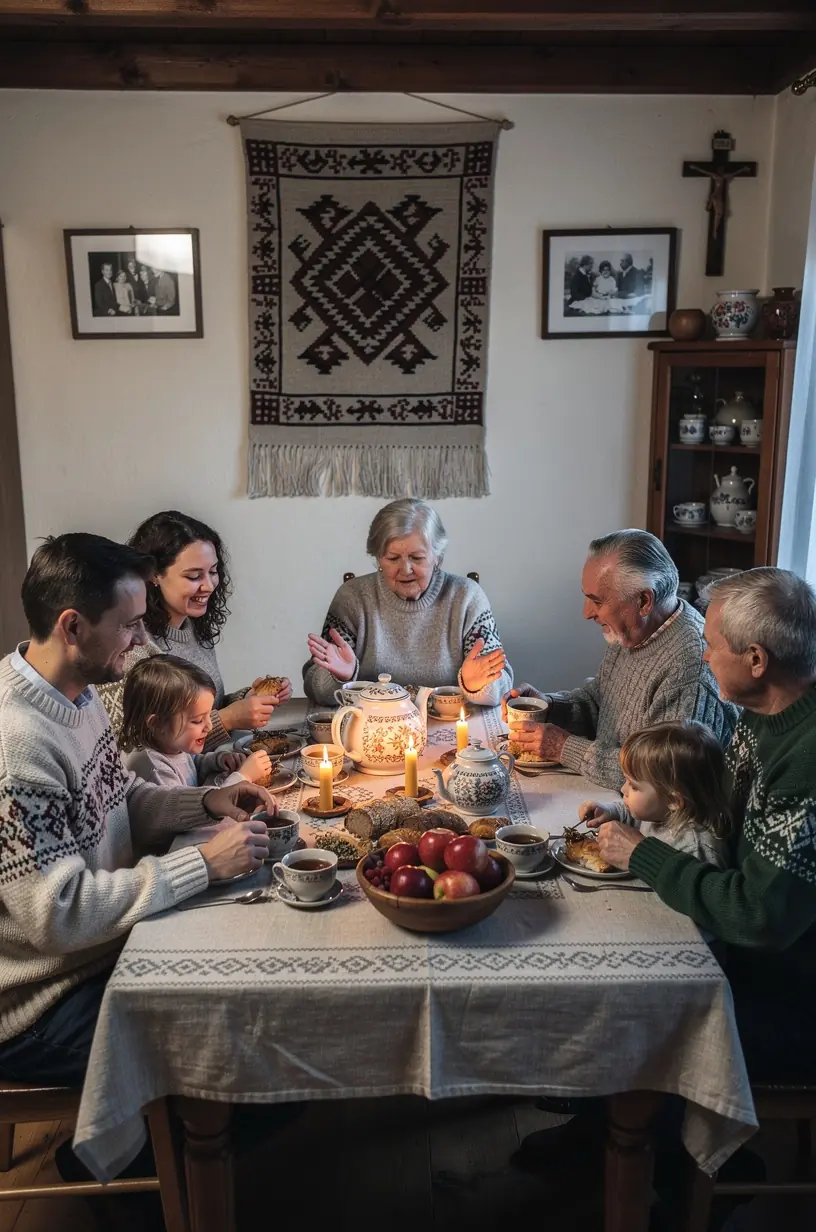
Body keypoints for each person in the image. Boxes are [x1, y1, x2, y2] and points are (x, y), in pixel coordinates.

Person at [0, 533, 272, 1088]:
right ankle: (145, 1161)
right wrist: (202, 864)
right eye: (128, 625)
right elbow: (58, 914)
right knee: (247, 1042)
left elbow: (118, 794)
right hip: (41, 1001)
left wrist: (204, 799)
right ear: (72, 627)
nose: (142, 638)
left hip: (105, 947)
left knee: (256, 973)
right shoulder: (19, 746)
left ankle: (167, 1148)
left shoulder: (77, 695)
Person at [595, 567, 816, 1080]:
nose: (702, 655)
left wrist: (643, 854)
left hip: (784, 984)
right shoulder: (760, 712)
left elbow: (758, 918)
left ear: (756, 660)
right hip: (740, 948)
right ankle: (601, 1123)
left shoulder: (805, 760)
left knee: (624, 1006)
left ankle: (661, 1150)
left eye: (713, 645)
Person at [504, 529, 737, 789]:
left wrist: (563, 748)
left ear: (644, 601)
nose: (586, 613)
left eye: (597, 600)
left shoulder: (691, 666)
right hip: (611, 799)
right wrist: (549, 707)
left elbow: (663, 779)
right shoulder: (633, 630)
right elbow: (600, 701)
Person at [98, 510, 291, 749]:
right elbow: (138, 749)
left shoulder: (192, 627)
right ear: (154, 575)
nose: (209, 586)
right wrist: (228, 719)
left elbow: (205, 706)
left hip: (213, 764)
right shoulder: (133, 649)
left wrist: (248, 700)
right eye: (193, 576)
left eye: (212, 571)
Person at [304, 498, 512, 707]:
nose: (406, 569)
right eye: (393, 558)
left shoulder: (467, 597)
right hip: (374, 728)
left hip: (448, 726)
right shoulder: (353, 598)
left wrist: (475, 684)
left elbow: (501, 687)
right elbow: (316, 688)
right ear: (378, 558)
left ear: (437, 556)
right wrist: (340, 678)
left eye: (417, 557)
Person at [579, 719, 731, 868]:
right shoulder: (659, 810)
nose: (623, 790)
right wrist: (609, 811)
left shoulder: (695, 850)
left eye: (634, 786)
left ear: (673, 800)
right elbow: (632, 813)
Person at [120, 656, 273, 791]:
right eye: (198, 720)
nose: (210, 726)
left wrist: (218, 760)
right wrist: (243, 777)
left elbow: (191, 764)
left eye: (208, 715)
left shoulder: (171, 745)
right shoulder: (156, 770)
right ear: (156, 723)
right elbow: (192, 818)